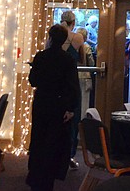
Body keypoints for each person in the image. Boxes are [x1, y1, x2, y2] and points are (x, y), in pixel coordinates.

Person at [26, 24, 79, 191]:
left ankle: (36, 176)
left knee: (39, 139)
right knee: (54, 142)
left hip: (42, 102)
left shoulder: (41, 56)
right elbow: (72, 85)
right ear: (64, 41)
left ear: (49, 38)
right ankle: (49, 176)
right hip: (59, 104)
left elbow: (33, 81)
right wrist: (71, 108)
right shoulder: (68, 59)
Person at [59, 10, 87, 167]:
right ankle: (69, 154)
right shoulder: (78, 37)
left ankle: (55, 153)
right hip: (71, 80)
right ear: (74, 23)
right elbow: (82, 59)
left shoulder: (54, 36)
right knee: (73, 117)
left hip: (56, 82)